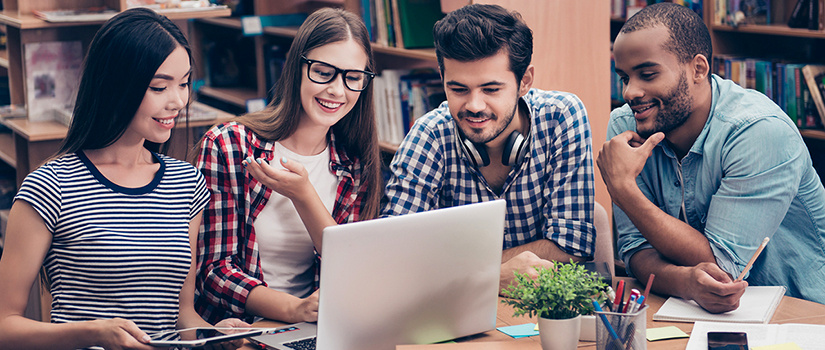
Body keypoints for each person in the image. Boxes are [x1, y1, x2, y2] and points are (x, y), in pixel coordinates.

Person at [0, 8, 246, 349]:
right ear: (117, 85)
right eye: (159, 87)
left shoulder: (186, 183)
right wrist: (92, 332)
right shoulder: (50, 185)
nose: (178, 101)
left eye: (185, 83)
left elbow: (182, 317)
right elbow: (4, 327)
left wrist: (212, 334)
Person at [598, 2, 825, 313]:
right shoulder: (627, 125)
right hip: (696, 312)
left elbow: (721, 264)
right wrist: (684, 281)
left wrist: (623, 190)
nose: (630, 92)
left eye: (647, 74)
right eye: (624, 77)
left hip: (801, 312)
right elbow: (636, 250)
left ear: (698, 69)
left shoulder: (759, 132)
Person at [381, 3, 596, 293]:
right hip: (452, 308)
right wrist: (491, 276)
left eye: (491, 89)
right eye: (458, 89)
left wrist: (458, 271)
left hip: (535, 308)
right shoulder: (429, 134)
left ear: (524, 82)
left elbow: (572, 247)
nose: (474, 106)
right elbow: (394, 255)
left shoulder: (561, 117)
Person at [195, 7, 382, 324]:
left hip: (320, 329)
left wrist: (304, 195)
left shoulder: (354, 166)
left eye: (352, 78)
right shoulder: (229, 145)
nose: (337, 90)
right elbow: (213, 271)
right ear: (297, 67)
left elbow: (351, 272)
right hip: (242, 329)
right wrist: (292, 310)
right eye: (323, 72)